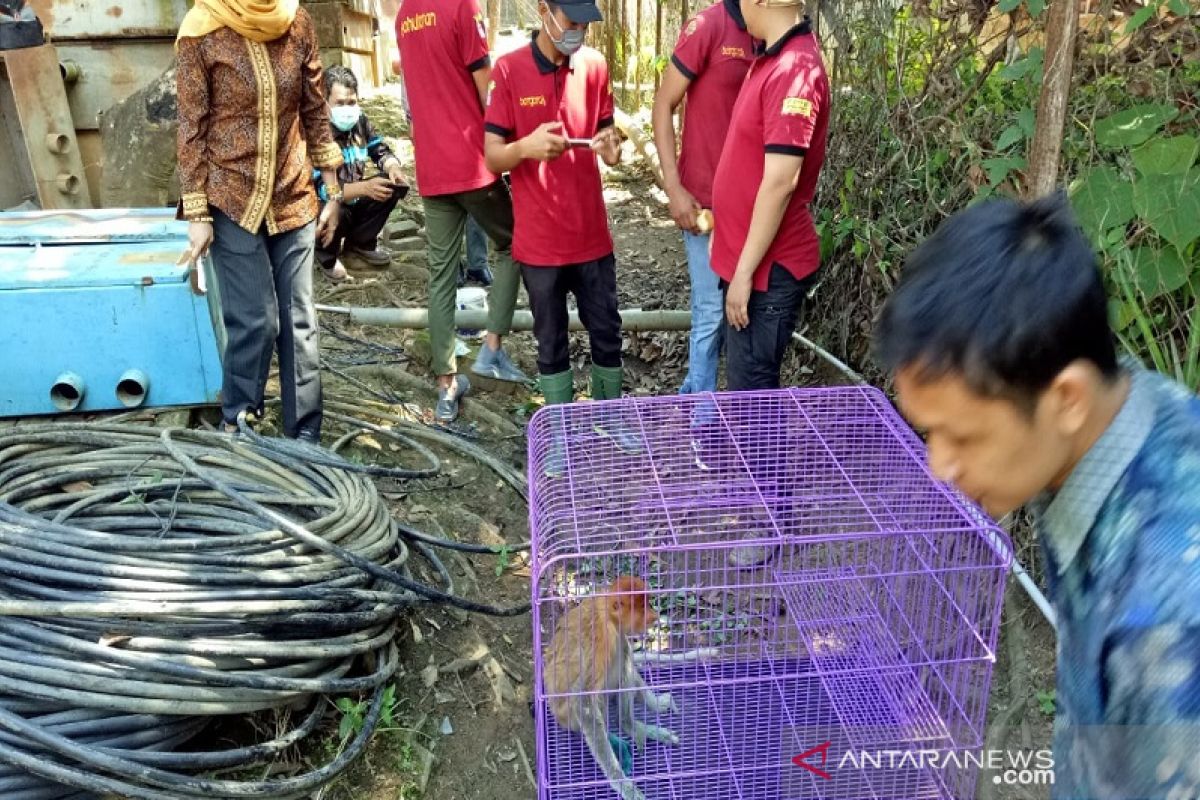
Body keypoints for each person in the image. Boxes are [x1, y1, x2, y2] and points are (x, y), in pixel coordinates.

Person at [875, 193, 1200, 799]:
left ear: (1067, 400)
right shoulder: (1126, 410)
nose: (938, 466)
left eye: (963, 436)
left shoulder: (1169, 621)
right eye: (929, 433)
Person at [483, 0, 639, 475]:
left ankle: (609, 416)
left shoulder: (593, 66)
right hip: (541, 243)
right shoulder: (508, 72)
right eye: (571, 22)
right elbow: (492, 157)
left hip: (590, 235)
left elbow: (607, 136)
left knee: (607, 330)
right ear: (543, 11)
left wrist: (611, 145)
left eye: (585, 24)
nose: (579, 33)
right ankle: (561, 435)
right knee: (550, 341)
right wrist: (526, 147)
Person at [176, 0, 343, 444]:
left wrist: (333, 188)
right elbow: (190, 127)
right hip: (230, 196)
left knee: (300, 320)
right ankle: (239, 421)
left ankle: (304, 435)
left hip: (292, 192)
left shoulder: (296, 20)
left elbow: (314, 107)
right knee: (256, 319)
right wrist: (197, 213)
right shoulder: (200, 29)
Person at [396, 0, 528, 422]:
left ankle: (446, 386)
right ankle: (491, 350)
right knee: (514, 242)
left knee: (440, 275)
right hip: (472, 165)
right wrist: (511, 144)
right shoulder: (461, 6)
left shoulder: (404, 16)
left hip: (432, 167)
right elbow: (485, 87)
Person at [709, 0, 829, 392]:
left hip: (766, 269)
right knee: (745, 387)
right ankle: (742, 452)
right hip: (748, 258)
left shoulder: (796, 69)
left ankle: (754, 455)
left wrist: (743, 272)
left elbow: (781, 180)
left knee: (752, 395)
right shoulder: (770, 58)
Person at [652, 0, 754, 396]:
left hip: (751, 204)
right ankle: (702, 420)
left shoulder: (773, 31)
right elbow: (663, 104)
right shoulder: (708, 26)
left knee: (742, 313)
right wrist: (673, 187)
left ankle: (701, 393)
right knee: (711, 314)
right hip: (704, 204)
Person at [314, 65, 409, 283]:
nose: (347, 108)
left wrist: (392, 167)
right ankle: (325, 255)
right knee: (333, 208)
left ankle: (358, 246)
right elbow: (318, 186)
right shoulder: (315, 130)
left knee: (389, 186)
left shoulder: (360, 121)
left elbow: (378, 149)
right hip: (326, 204)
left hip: (352, 199)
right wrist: (364, 188)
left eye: (351, 102)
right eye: (339, 103)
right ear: (325, 102)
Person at [398, 71, 493, 288]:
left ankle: (478, 264)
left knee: (476, 194)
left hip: (467, 126)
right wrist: (411, 119)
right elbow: (408, 83)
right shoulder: (413, 42)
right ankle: (452, 267)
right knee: (443, 201)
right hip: (432, 129)